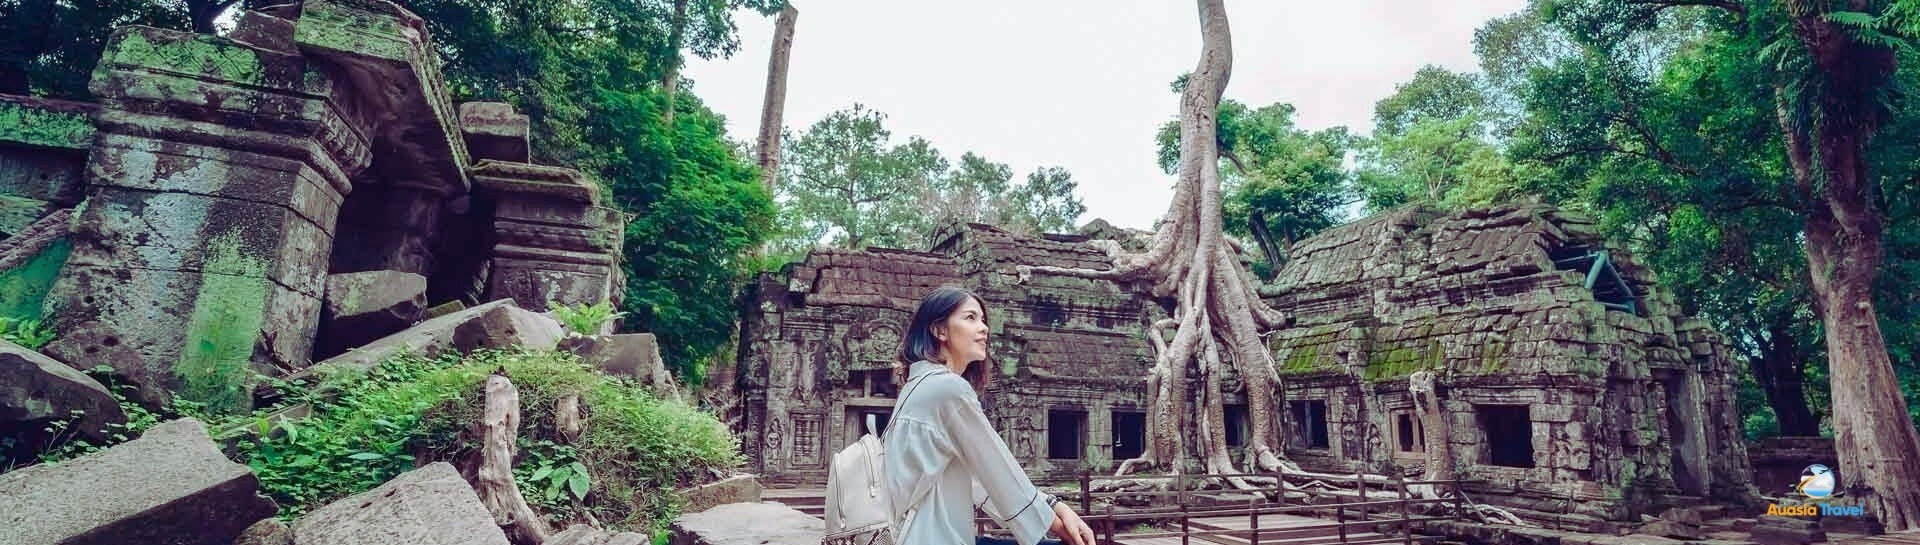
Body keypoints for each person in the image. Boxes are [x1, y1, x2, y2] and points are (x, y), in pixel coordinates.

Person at [884, 286, 1099, 545]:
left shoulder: (918, 385)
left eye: (983, 320)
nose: (984, 328)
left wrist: (1055, 506)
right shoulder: (947, 389)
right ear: (939, 330)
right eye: (970, 318)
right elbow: (999, 473)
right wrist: (1061, 527)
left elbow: (978, 482)